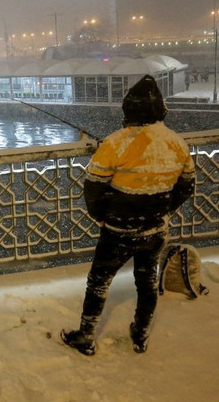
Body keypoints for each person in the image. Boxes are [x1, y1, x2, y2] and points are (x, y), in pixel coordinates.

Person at [61, 75, 196, 356]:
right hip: (155, 229)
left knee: (98, 282)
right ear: (160, 110)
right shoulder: (177, 143)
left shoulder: (114, 143)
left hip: (118, 230)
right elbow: (186, 186)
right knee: (146, 283)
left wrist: (100, 216)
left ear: (128, 111)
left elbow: (93, 186)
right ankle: (141, 334)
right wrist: (163, 210)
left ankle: (86, 336)